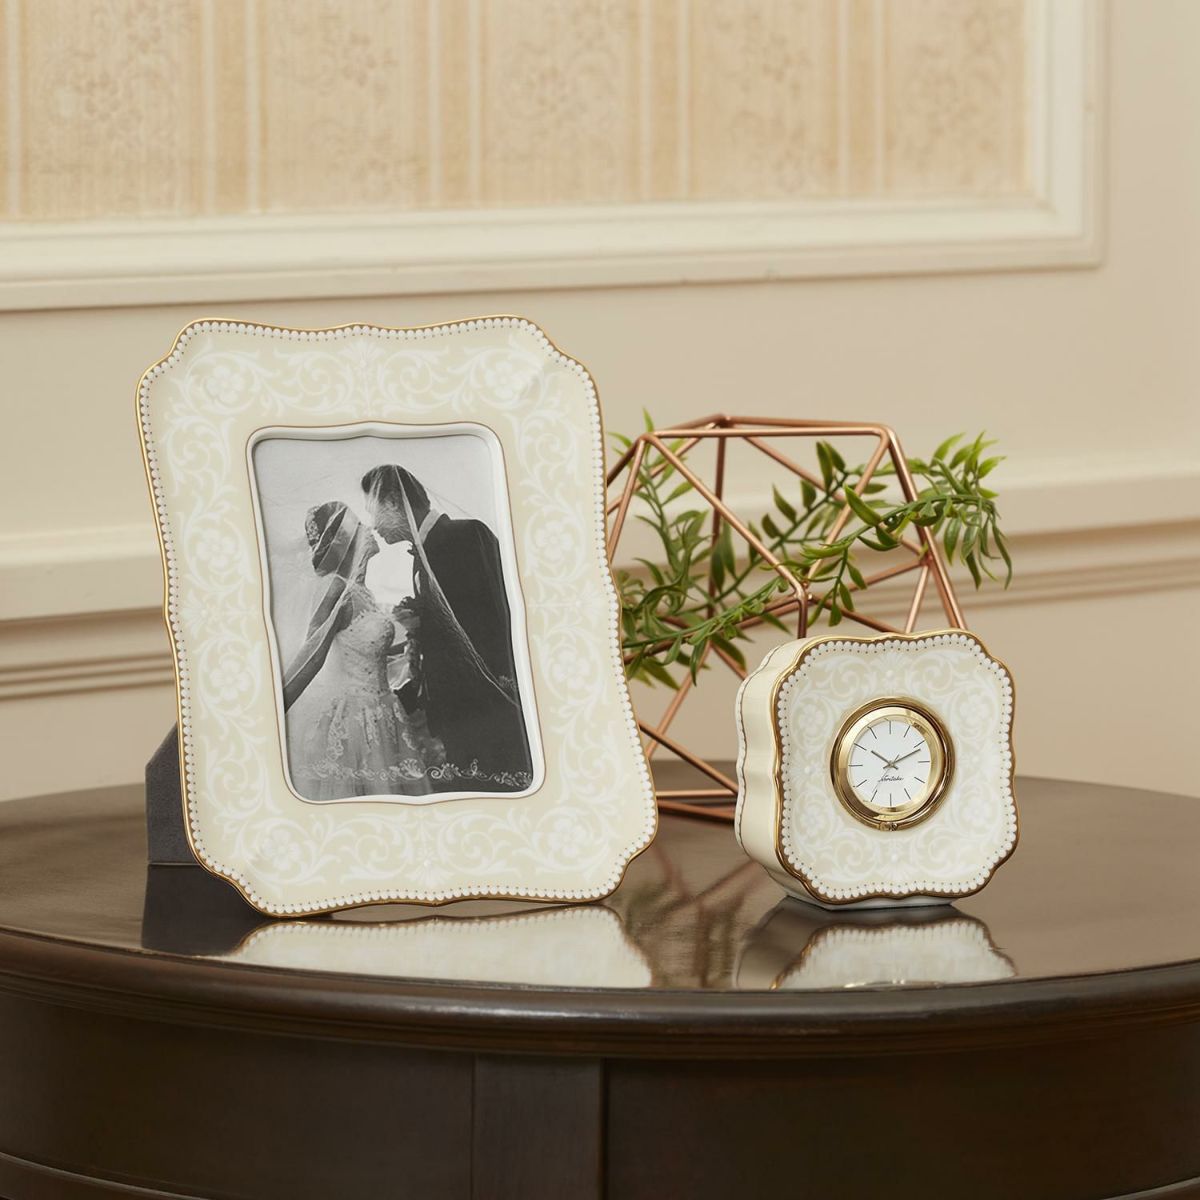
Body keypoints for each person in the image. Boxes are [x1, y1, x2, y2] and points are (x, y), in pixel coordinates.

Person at [361, 464, 533, 792]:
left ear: (394, 502)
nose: (374, 525)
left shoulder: (466, 535)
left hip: (488, 711)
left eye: (374, 511)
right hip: (458, 714)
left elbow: (493, 623)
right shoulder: (422, 554)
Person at [281, 501, 443, 800]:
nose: (368, 529)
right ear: (341, 540)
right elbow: (312, 654)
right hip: (356, 719)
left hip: (385, 711)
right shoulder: (337, 589)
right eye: (357, 525)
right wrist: (277, 706)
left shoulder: (363, 593)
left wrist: (418, 633)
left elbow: (365, 649)